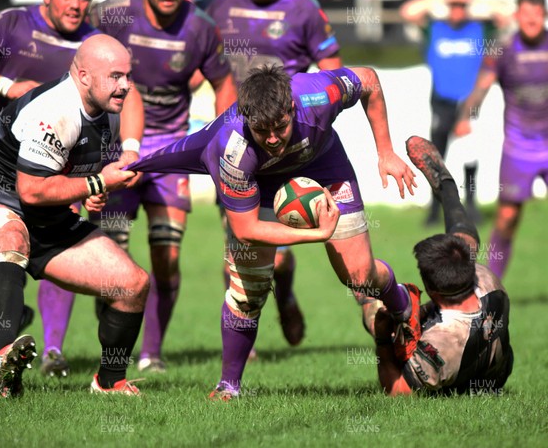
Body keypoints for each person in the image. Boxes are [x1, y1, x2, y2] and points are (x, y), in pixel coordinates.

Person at [125, 64, 420, 399]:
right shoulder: (232, 148)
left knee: (359, 276)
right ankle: (229, 386)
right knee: (247, 292)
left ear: (292, 108)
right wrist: (316, 235)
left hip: (324, 164)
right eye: (262, 130)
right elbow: (247, 229)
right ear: (247, 118)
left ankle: (404, 306)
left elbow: (368, 79)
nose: (273, 138)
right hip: (259, 183)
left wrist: (385, 152)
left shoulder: (320, 94)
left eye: (280, 126)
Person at [0, 0, 142, 377]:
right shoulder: (15, 24)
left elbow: (120, 113)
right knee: (11, 239)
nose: (75, 5)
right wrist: (8, 87)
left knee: (132, 283)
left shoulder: (102, 69)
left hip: (46, 198)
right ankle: (7, 357)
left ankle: (108, 382)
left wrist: (123, 157)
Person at [62, 0, 234, 374]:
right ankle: (114, 324)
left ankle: (152, 353)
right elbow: (76, 65)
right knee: (112, 254)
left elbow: (225, 82)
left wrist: (228, 140)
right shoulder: (111, 14)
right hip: (115, 146)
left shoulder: (201, 26)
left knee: (167, 255)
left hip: (171, 150)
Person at [205, 0, 343, 352]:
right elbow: (205, 67)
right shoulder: (220, 9)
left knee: (277, 260)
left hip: (285, 149)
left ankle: (285, 293)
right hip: (235, 148)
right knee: (238, 250)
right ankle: (238, 339)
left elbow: (333, 72)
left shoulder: (304, 10)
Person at [370, 135, 513, 396]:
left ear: (432, 290)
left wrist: (381, 337)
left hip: (463, 382)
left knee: (374, 312)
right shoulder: (489, 281)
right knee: (464, 245)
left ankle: (365, 297)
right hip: (496, 369)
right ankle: (447, 188)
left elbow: (398, 392)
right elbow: (464, 251)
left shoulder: (441, 344)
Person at [455, 0, 548, 280]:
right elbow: (481, 89)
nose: (531, 20)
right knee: (507, 218)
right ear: (517, 15)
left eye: (537, 15)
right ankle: (490, 286)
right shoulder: (503, 50)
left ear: (544, 15)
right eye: (526, 14)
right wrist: (466, 117)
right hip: (519, 149)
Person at [400, 0, 507, 226]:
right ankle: (435, 207)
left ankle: (470, 204)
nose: (457, 10)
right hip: (442, 100)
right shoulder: (434, 28)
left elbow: (504, 18)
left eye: (462, 6)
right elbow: (408, 12)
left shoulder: (479, 28)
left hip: (470, 103)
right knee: (436, 154)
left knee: (470, 153)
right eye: (453, 6)